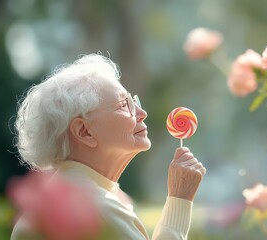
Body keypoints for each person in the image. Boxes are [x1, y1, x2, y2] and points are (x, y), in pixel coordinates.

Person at [11, 54, 206, 239]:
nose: (142, 113)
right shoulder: (97, 207)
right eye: (124, 105)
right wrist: (180, 199)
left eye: (134, 101)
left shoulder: (49, 205)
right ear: (84, 132)